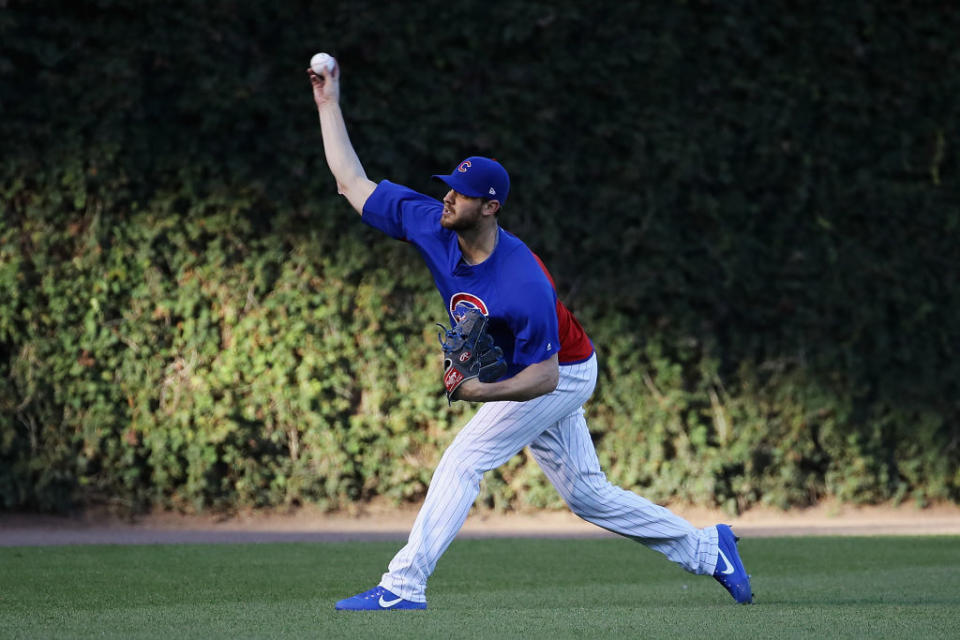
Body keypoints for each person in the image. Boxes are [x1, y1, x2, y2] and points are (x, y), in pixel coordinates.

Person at [307, 58, 753, 611]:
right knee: (588, 496)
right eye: (448, 188)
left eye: (461, 193)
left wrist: (478, 392)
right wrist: (329, 102)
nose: (448, 197)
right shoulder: (433, 224)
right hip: (538, 370)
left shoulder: (522, 282)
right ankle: (710, 551)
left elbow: (542, 376)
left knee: (464, 460)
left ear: (490, 207)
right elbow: (352, 182)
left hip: (561, 372)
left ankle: (403, 586)